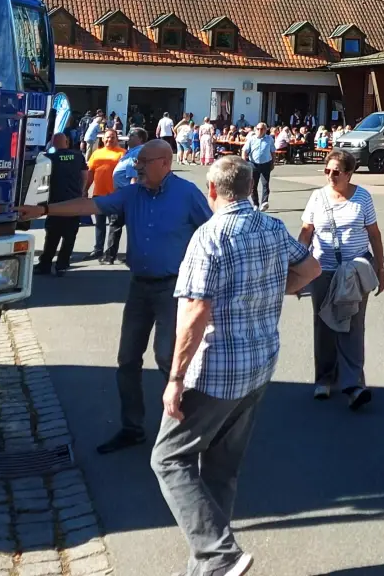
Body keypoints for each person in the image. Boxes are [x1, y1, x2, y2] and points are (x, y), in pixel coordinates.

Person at [152, 156, 319, 576]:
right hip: (259, 365)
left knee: (168, 459)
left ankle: (218, 555)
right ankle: (209, 568)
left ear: (212, 191)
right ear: (248, 187)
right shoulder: (272, 226)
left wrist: (174, 379)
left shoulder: (209, 236)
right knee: (222, 470)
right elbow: (312, 268)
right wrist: (275, 292)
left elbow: (195, 311)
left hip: (216, 372)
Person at [19, 139, 213, 455]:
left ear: (164, 162)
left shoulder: (187, 194)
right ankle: (132, 427)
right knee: (127, 360)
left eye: (144, 162)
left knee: (167, 358)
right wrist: (43, 210)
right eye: (137, 161)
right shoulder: (133, 193)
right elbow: (91, 204)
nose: (137, 167)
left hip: (173, 289)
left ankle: (188, 428)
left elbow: (211, 232)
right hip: (139, 286)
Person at [298, 150, 384, 409]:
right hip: (322, 270)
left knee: (352, 326)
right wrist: (297, 270)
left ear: (349, 173)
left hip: (354, 271)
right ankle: (324, 379)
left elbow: (375, 235)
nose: (331, 176)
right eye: (327, 170)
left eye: (336, 171)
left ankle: (354, 385)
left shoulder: (363, 198)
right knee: (323, 324)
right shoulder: (317, 197)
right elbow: (305, 234)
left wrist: (380, 270)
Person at [34, 134, 87, 277]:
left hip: (55, 203)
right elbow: (84, 175)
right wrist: (81, 191)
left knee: (52, 236)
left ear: (52, 144)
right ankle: (62, 265)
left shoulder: (49, 158)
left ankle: (45, 264)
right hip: (73, 202)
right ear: (67, 142)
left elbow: (41, 180)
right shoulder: (78, 156)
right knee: (69, 236)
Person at [104, 127, 150, 264]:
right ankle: (124, 255)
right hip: (123, 193)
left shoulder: (138, 153)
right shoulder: (131, 152)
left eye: (131, 136)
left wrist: (129, 198)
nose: (128, 138)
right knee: (122, 225)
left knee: (117, 225)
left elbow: (134, 178)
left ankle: (111, 256)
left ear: (140, 139)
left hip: (126, 195)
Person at [87, 130, 125, 258]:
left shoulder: (122, 154)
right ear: (103, 139)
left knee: (114, 226)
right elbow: (90, 173)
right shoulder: (97, 153)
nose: (110, 140)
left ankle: (110, 253)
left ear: (117, 139)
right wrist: (85, 188)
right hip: (99, 194)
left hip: (115, 195)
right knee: (99, 224)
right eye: (107, 138)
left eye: (113, 137)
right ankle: (98, 249)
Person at [243, 122, 275, 211]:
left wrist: (273, 162)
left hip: (266, 163)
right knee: (253, 185)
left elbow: (273, 151)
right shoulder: (251, 139)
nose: (260, 131)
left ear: (265, 130)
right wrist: (244, 162)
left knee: (265, 184)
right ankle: (255, 204)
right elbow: (244, 151)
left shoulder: (269, 139)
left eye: (262, 129)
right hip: (253, 164)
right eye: (258, 129)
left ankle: (264, 202)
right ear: (255, 129)